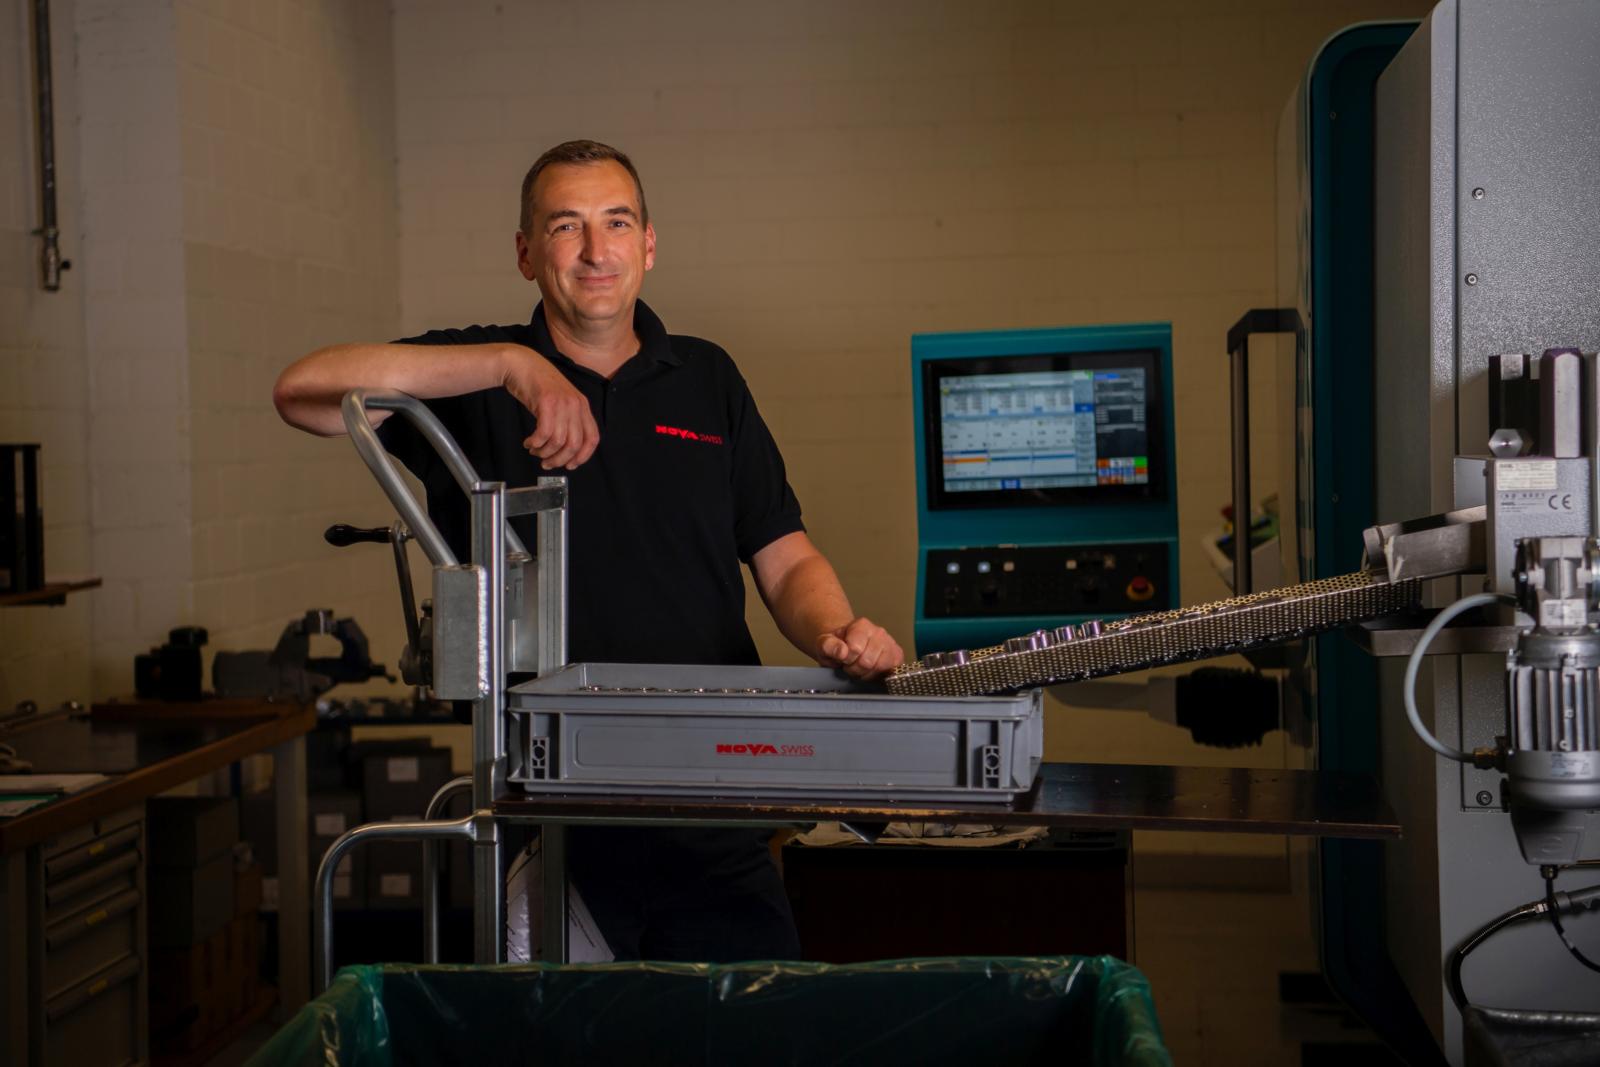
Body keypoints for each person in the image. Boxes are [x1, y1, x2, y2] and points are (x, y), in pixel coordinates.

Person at [273, 139, 904, 961]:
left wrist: (836, 629)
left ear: (649, 243)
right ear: (528, 253)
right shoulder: (474, 380)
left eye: (616, 223)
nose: (596, 250)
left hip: (711, 790)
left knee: (753, 1026)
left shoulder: (708, 378)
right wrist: (512, 367)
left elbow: (786, 556)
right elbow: (303, 394)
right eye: (566, 227)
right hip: (554, 801)